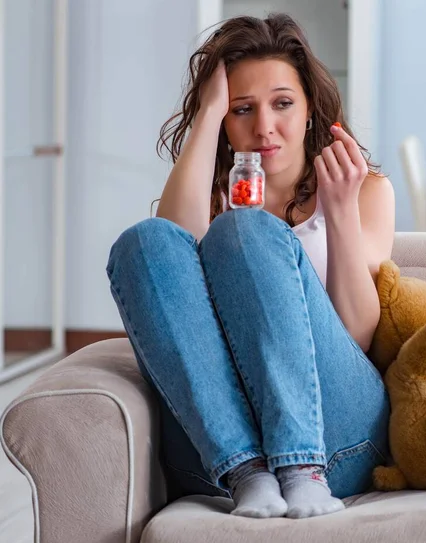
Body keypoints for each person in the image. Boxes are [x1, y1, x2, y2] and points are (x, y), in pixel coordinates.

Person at [106, 12, 395, 520]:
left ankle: (302, 471)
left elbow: (358, 335)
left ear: (309, 110)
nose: (264, 127)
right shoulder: (213, 196)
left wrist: (341, 209)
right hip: (228, 452)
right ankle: (249, 472)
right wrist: (209, 110)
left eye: (283, 103)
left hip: (338, 436)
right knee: (144, 241)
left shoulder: (364, 189)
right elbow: (166, 263)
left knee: (246, 229)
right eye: (242, 110)